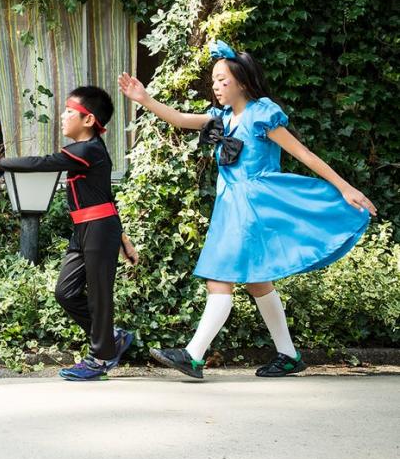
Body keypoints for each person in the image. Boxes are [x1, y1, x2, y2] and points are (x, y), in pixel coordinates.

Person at [118, 40, 375, 379]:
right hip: (230, 206)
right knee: (256, 282)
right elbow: (180, 119)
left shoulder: (262, 114)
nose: (216, 86)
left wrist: (345, 187)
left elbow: (305, 155)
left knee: (219, 277)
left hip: (254, 207)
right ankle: (288, 354)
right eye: (214, 81)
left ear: (242, 82)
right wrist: (144, 99)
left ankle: (193, 355)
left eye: (223, 80)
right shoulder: (221, 118)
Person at [0, 86, 137, 381]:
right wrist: (124, 239)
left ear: (88, 120)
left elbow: (42, 164)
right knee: (65, 292)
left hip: (99, 229)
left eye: (69, 111)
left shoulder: (88, 150)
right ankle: (111, 338)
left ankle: (101, 357)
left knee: (99, 296)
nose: (63, 116)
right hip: (86, 228)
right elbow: (105, 195)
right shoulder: (83, 153)